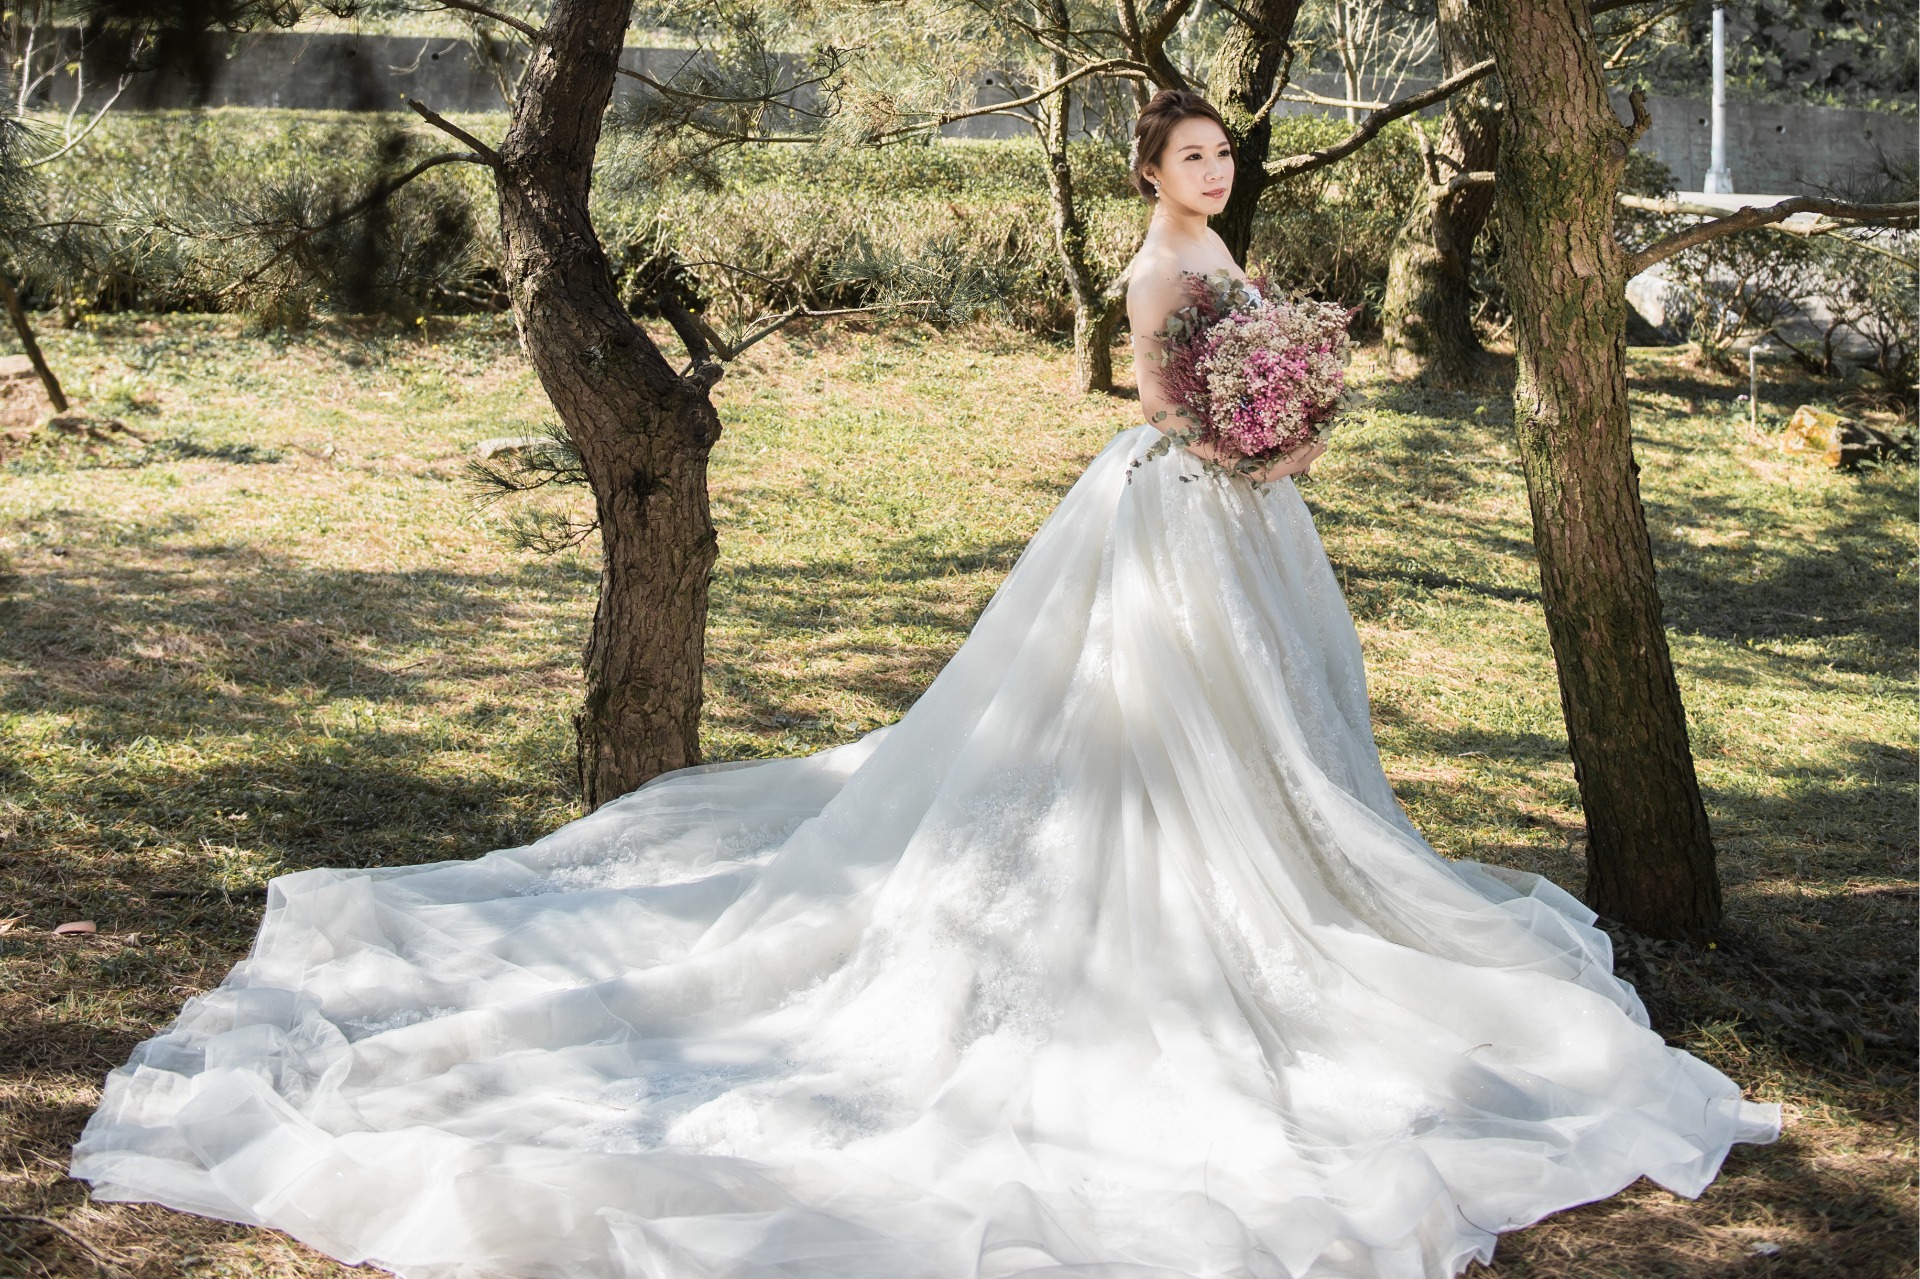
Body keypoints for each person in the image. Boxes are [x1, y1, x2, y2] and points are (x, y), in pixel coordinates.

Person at [70, 88, 1779, 1279]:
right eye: (1193, 155)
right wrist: (1253, 437)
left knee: (1264, 734)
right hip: (1179, 512)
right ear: (1152, 172)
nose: (1214, 171)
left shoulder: (1231, 257)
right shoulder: (1158, 267)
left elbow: (1251, 388)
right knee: (1145, 729)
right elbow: (1162, 402)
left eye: (1224, 153)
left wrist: (1294, 419)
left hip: (1248, 520)